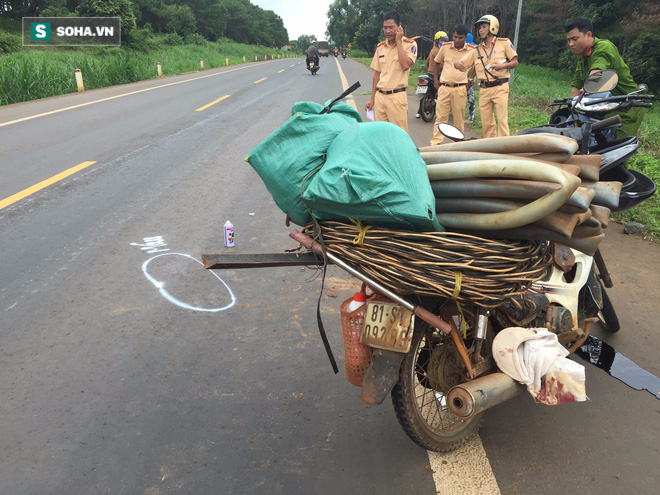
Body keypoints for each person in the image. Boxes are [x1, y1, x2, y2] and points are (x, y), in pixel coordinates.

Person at [565, 17, 644, 138]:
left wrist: (587, 89)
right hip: (603, 108)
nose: (571, 44)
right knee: (582, 142)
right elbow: (575, 89)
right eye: (569, 40)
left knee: (612, 150)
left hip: (626, 108)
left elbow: (596, 78)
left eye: (574, 39)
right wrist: (570, 107)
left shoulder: (603, 47)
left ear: (588, 35)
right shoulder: (583, 57)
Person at [454, 15, 518, 138]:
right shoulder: (477, 50)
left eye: (484, 27)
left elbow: (515, 62)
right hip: (484, 89)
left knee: (502, 120)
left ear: (493, 27)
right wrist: (456, 63)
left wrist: (502, 66)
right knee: (486, 123)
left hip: (500, 87)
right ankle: (491, 146)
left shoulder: (504, 43)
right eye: (479, 28)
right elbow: (461, 63)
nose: (481, 30)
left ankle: (505, 147)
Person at [365, 11, 417, 132]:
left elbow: (405, 65)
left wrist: (399, 42)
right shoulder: (380, 47)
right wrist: (372, 98)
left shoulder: (409, 44)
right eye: (385, 27)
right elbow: (377, 74)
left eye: (391, 27)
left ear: (399, 27)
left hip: (397, 97)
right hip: (380, 97)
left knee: (399, 135)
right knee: (381, 134)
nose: (387, 31)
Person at [429, 25, 474, 144]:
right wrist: (436, 79)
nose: (457, 40)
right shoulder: (445, 47)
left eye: (460, 37)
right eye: (455, 37)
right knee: (441, 118)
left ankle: (458, 144)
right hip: (444, 87)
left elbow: (477, 64)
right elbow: (437, 62)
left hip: (460, 88)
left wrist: (471, 79)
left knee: (458, 119)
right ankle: (436, 144)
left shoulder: (471, 50)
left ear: (465, 38)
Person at [416, 31, 448, 119]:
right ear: (437, 40)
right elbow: (441, 64)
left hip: (429, 73)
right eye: (442, 40)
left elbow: (427, 61)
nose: (443, 42)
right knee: (443, 91)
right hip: (437, 75)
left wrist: (429, 68)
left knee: (425, 93)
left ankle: (419, 112)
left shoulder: (432, 50)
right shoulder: (438, 51)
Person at [465, 32, 476, 123]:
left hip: (468, 79)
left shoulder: (473, 51)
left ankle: (471, 117)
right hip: (462, 78)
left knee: (470, 97)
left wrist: (471, 78)